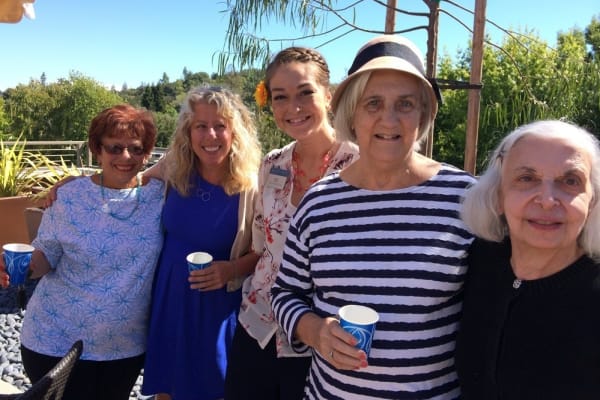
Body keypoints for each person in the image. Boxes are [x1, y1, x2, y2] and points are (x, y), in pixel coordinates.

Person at [271, 34, 476, 399]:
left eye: (406, 104)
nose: (389, 119)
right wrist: (315, 331)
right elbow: (285, 292)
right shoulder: (319, 202)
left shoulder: (466, 199)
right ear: (351, 112)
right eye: (373, 103)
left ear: (424, 114)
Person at [0, 104, 165, 400]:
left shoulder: (160, 196)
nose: (125, 157)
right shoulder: (69, 196)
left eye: (136, 149)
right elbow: (45, 256)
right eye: (114, 148)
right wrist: (20, 267)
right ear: (96, 150)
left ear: (147, 153)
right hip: (55, 342)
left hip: (125, 348)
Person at [224, 47, 358, 399]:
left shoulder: (360, 167)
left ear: (329, 96)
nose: (293, 108)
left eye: (305, 93)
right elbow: (260, 244)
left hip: (321, 336)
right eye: (280, 97)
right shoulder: (272, 164)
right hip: (258, 323)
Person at [456, 120, 600, 399]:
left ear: (592, 200)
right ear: (498, 196)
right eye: (527, 178)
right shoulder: (478, 262)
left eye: (570, 181)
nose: (547, 200)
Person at [141, 86, 262, 400]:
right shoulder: (174, 167)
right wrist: (78, 183)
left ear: (234, 131)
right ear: (187, 132)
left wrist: (232, 269)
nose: (211, 135)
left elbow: (264, 252)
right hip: (169, 300)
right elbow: (126, 186)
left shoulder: (252, 185)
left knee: (214, 387)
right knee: (166, 389)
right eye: (201, 126)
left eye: (220, 125)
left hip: (216, 306)